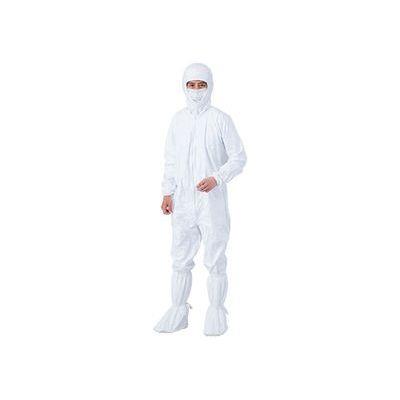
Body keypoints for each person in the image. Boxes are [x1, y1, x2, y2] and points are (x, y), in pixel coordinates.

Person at [154, 63, 246, 336]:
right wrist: (167, 192)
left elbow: (239, 157)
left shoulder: (220, 119)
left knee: (215, 257)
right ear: (184, 87)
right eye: (191, 85)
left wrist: (217, 178)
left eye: (201, 85)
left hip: (211, 200)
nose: (196, 90)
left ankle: (216, 312)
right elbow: (171, 160)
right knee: (180, 257)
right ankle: (178, 311)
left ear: (210, 86)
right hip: (183, 200)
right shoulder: (178, 120)